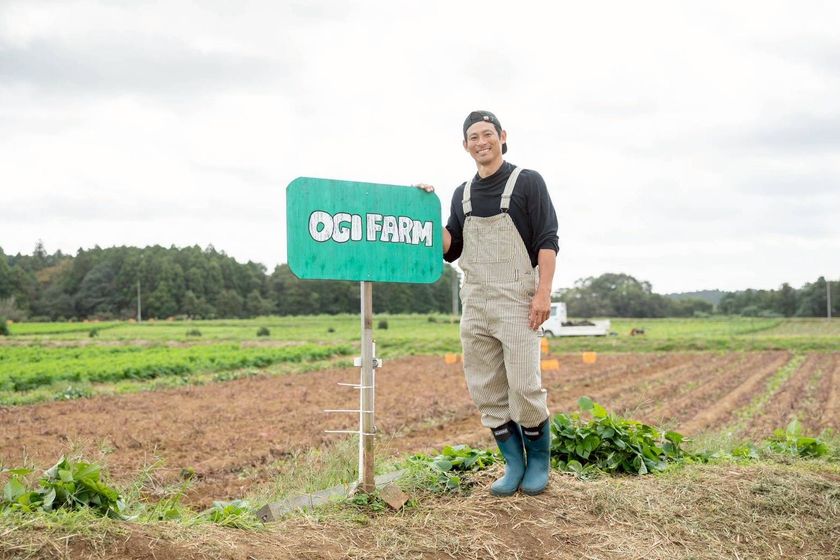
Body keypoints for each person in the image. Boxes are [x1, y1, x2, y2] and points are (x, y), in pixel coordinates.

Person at [419, 110, 559, 496]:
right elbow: (452, 248)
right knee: (486, 388)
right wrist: (425, 211)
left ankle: (539, 463)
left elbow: (547, 239)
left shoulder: (527, 182)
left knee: (525, 386)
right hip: (476, 301)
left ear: (501, 136)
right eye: (473, 137)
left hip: (518, 299)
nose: (481, 142)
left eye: (487, 134)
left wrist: (543, 292)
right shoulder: (462, 194)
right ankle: (513, 464)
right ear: (465, 146)